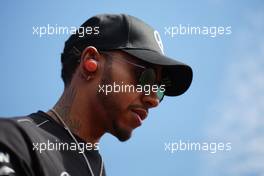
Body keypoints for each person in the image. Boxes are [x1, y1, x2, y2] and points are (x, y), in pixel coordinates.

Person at [0, 14, 192, 176]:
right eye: (146, 77)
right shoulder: (13, 139)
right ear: (91, 62)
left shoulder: (97, 170)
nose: (153, 100)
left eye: (159, 88)